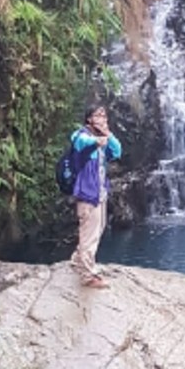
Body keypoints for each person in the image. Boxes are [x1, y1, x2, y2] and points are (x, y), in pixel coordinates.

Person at [69, 105, 122, 289]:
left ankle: (78, 260)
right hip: (86, 193)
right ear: (89, 119)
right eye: (98, 115)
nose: (103, 118)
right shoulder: (80, 136)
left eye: (105, 115)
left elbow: (117, 151)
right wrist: (98, 139)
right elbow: (83, 143)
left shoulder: (104, 139)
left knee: (97, 230)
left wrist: (108, 133)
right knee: (89, 234)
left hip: (100, 193)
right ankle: (88, 275)